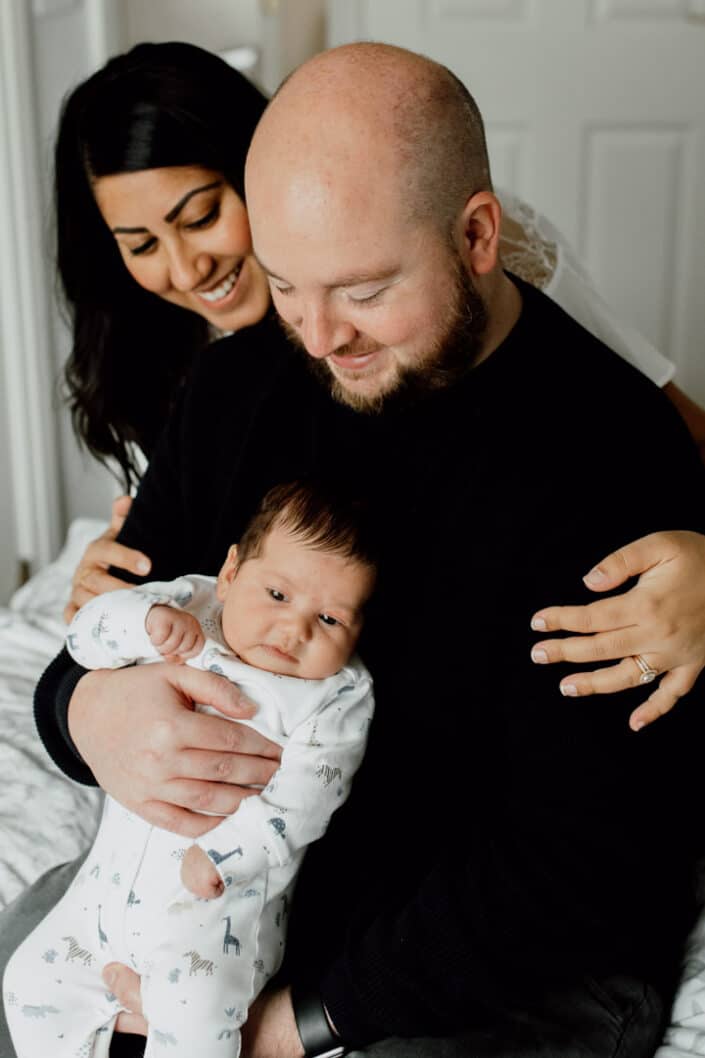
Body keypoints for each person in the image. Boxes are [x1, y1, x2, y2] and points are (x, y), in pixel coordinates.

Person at [23, 40, 705, 1058]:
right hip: (246, 914)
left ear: (479, 235)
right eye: (289, 286)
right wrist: (84, 710)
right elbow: (95, 638)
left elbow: (583, 861)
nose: (320, 333)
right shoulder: (235, 386)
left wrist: (300, 1021)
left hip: (501, 967)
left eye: (364, 290)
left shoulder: (607, 452)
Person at [4, 480, 375, 1058]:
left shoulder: (334, 696)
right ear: (230, 574)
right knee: (28, 985)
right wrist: (141, 623)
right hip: (99, 903)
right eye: (277, 594)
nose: (295, 628)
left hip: (206, 930)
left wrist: (228, 852)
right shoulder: (188, 607)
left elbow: (308, 798)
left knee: (197, 1028)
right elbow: (81, 635)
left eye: (330, 619)